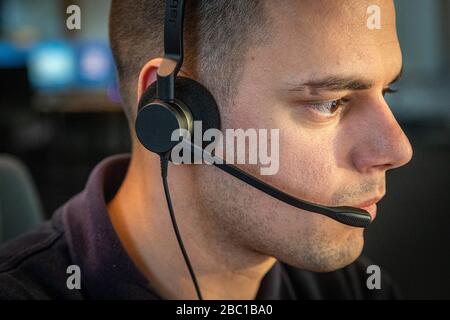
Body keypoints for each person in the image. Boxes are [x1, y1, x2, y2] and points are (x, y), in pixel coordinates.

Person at [0, 0, 412, 300]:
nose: (398, 148)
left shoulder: (353, 288)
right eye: (330, 102)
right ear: (174, 112)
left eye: (387, 90)